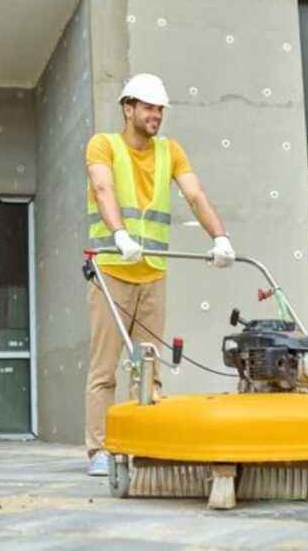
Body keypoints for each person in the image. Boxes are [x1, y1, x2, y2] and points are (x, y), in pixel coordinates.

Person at [84, 73, 235, 476]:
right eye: (149, 108)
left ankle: (144, 446)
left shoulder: (171, 151)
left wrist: (220, 237)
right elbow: (103, 190)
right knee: (105, 368)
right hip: (114, 270)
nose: (156, 115)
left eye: (160, 109)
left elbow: (195, 194)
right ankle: (98, 450)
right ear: (128, 108)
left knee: (148, 366)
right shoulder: (104, 145)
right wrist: (118, 234)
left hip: (152, 272)